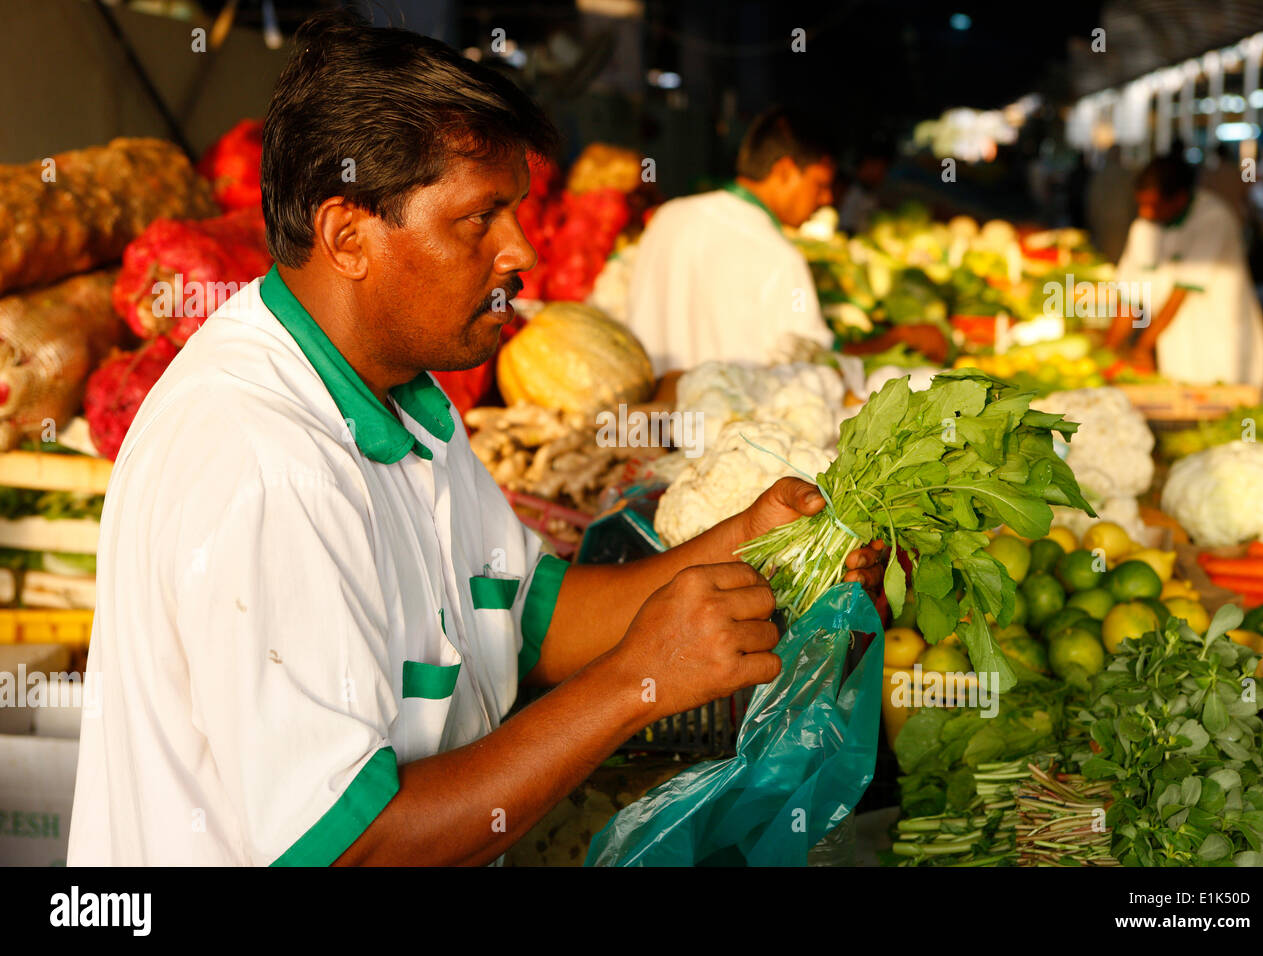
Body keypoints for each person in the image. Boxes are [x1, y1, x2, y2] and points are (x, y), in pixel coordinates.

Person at [66, 11, 883, 867]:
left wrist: (751, 540)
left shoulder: (405, 395)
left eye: (517, 214)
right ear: (348, 236)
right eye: (479, 219)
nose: (519, 251)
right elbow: (352, 847)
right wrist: (638, 682)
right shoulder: (261, 456)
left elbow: (534, 620)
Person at [624, 107, 836, 376]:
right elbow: (809, 358)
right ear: (784, 171)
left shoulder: (669, 216)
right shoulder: (781, 258)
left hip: (650, 411)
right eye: (820, 185)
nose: (826, 199)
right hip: (729, 417)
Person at [1105, 155, 1263, 390]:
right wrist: (1108, 352)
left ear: (1179, 198)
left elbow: (1181, 292)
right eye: (1140, 204)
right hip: (1176, 352)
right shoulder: (1143, 228)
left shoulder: (1213, 219)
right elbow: (1130, 294)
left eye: (1153, 205)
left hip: (1222, 347)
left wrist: (1142, 347)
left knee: (1224, 406)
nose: (1146, 213)